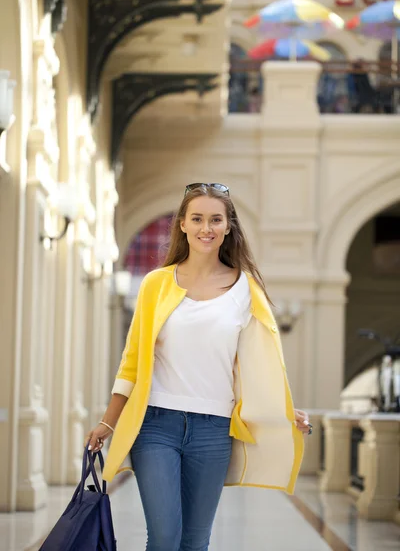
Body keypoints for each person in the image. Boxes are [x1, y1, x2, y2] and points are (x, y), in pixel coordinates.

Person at [86, 182, 311, 551]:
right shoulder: (156, 285)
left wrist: (282, 412)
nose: (207, 227)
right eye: (198, 218)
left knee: (194, 541)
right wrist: (108, 422)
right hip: (156, 425)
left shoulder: (246, 290)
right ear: (183, 225)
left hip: (213, 431)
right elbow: (131, 363)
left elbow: (256, 368)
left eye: (215, 219)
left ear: (228, 226)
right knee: (164, 538)